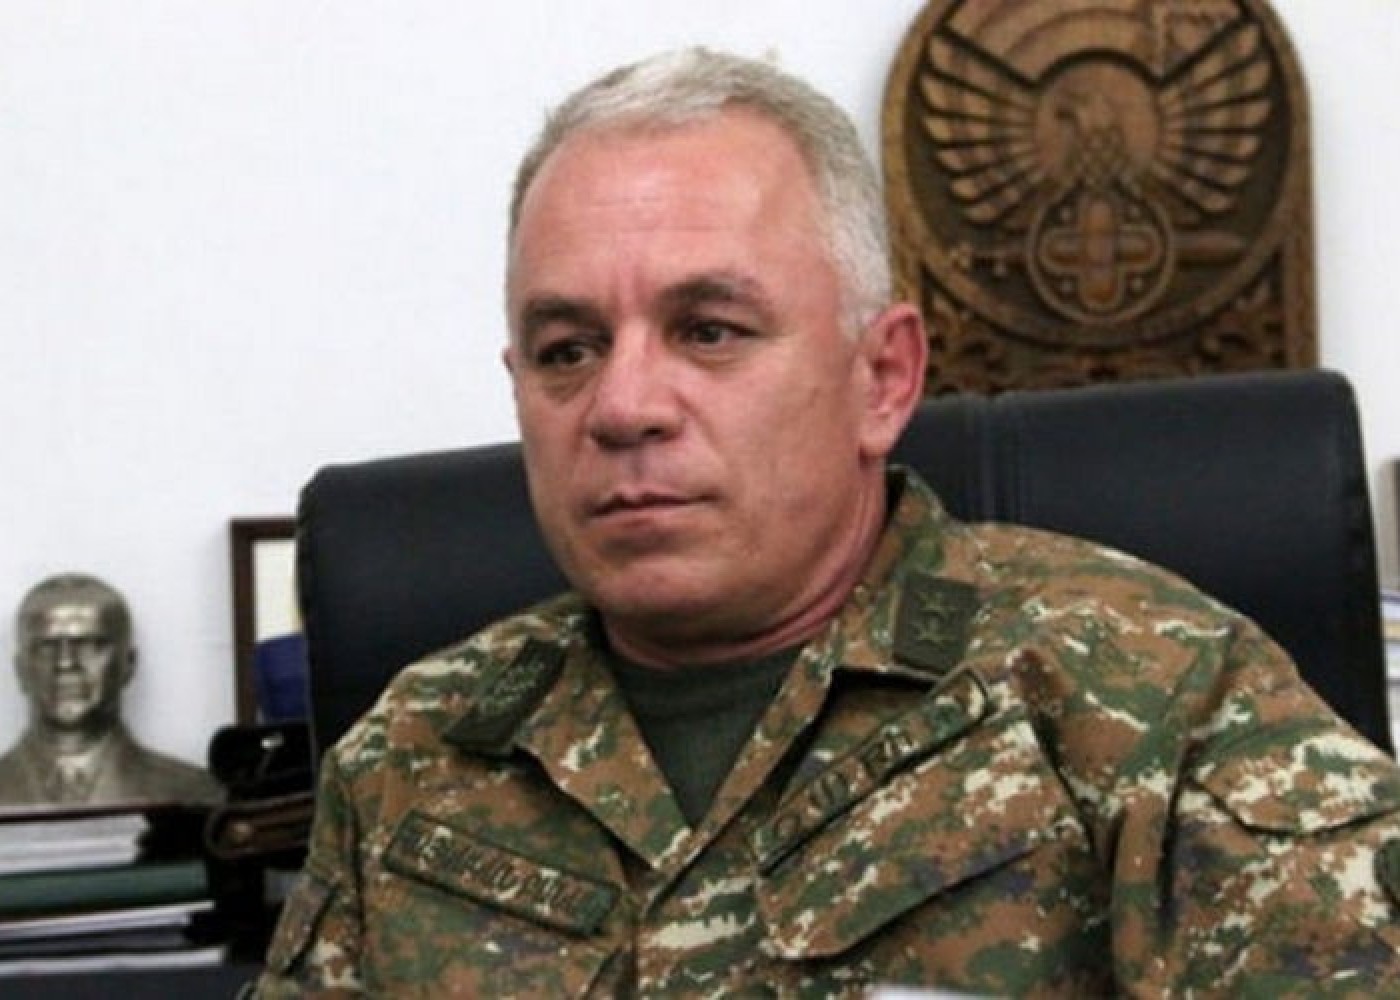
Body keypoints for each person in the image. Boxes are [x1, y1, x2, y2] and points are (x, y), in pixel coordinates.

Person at [256, 48, 1400, 997]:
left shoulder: (1155, 698)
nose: (620, 404)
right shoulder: (412, 756)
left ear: (881, 378)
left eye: (708, 330)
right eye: (567, 350)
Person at [0, 574, 222, 809]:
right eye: (46, 647)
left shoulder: (197, 793)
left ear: (129, 664)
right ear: (20, 670)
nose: (65, 663)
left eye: (90, 645)